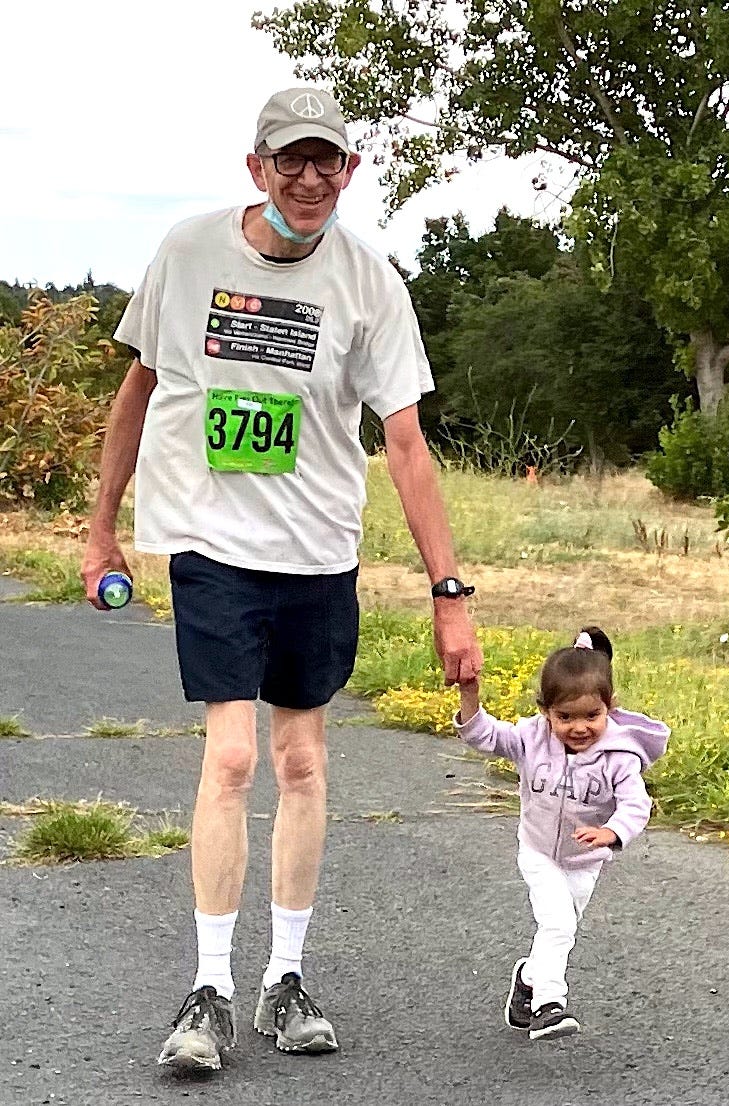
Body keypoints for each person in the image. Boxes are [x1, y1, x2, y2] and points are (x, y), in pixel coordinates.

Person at [81, 86, 482, 1072]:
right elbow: (137, 388)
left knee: (302, 759)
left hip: (317, 554)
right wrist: (100, 530)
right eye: (288, 160)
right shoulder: (186, 251)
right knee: (231, 759)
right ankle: (210, 987)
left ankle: (284, 978)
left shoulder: (367, 282)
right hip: (212, 547)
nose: (308, 178)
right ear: (255, 167)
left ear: (347, 171)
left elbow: (403, 440)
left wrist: (449, 593)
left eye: (326, 162)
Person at [454, 626, 668, 1041]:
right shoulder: (531, 739)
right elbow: (485, 736)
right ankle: (549, 1005)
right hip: (538, 852)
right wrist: (470, 696)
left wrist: (612, 832)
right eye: (565, 717)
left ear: (610, 707)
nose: (579, 728)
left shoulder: (619, 757)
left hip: (585, 862)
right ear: (546, 711)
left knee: (560, 930)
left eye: (592, 715)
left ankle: (529, 978)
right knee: (557, 926)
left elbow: (636, 805)